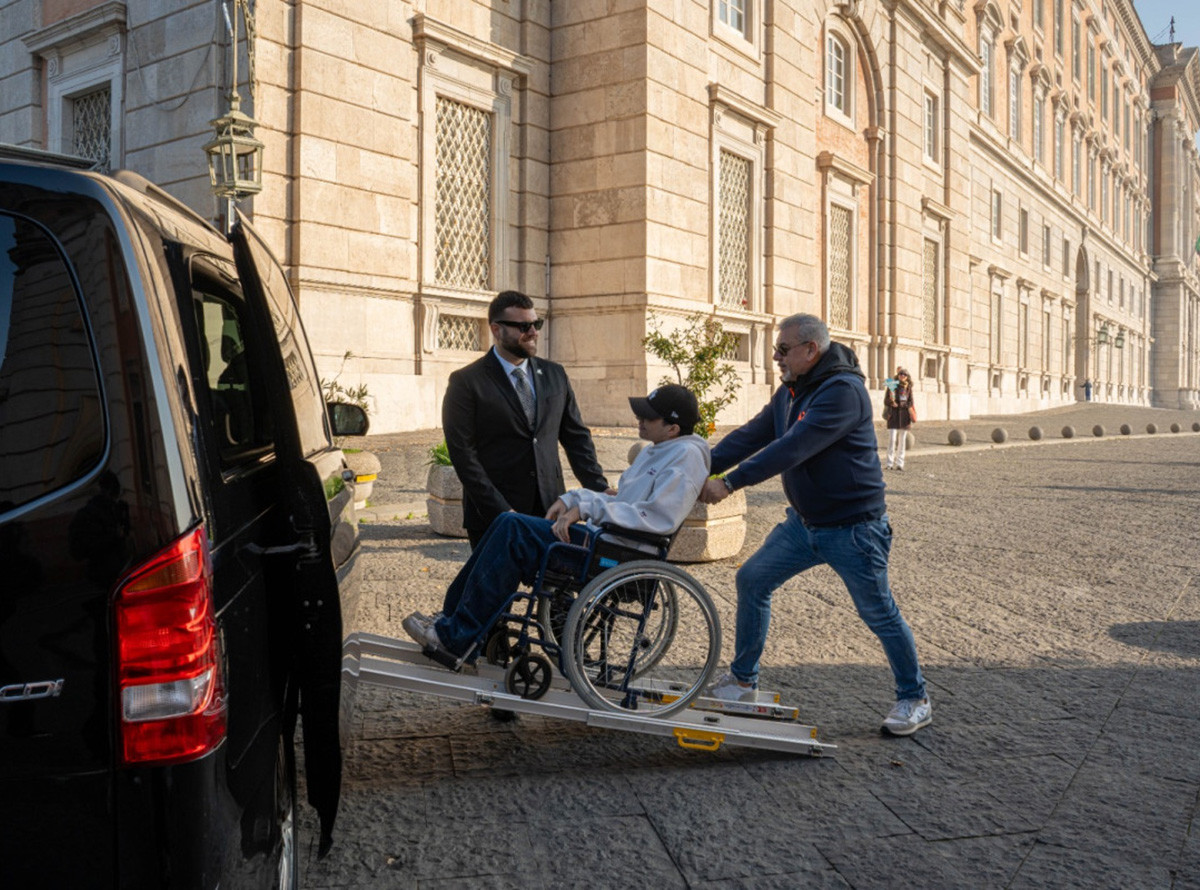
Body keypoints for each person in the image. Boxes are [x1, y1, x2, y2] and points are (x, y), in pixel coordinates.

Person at [697, 314, 931, 736]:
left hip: (854, 529)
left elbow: (792, 448)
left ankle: (915, 698)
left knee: (879, 613)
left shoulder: (843, 392)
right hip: (803, 525)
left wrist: (730, 482)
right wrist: (699, 465)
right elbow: (753, 435)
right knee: (752, 579)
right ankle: (743, 681)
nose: (775, 356)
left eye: (783, 349)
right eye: (775, 349)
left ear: (811, 350)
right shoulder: (791, 389)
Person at [404, 385, 709, 662]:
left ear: (672, 428)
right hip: (608, 540)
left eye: (648, 417)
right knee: (506, 522)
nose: (639, 419)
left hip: (616, 552)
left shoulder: (684, 459)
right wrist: (574, 499)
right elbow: (625, 502)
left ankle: (455, 637)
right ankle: (452, 621)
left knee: (514, 531)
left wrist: (586, 507)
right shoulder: (662, 450)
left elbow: (654, 519)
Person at [442, 290, 609, 549]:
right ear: (496, 330)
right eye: (523, 326)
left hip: (549, 510)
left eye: (535, 324)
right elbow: (463, 455)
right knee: (495, 590)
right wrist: (501, 511)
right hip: (494, 515)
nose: (533, 332)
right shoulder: (466, 382)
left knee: (556, 587)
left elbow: (576, 438)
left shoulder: (555, 374)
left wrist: (598, 488)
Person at [883, 367, 915, 471]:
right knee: (892, 440)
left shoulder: (908, 387)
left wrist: (904, 404)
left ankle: (900, 463)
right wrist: (892, 402)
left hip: (905, 416)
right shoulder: (892, 385)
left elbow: (911, 402)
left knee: (902, 441)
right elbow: (886, 400)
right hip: (894, 415)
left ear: (907, 377)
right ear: (898, 375)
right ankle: (889, 463)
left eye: (904, 374)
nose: (902, 376)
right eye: (901, 374)